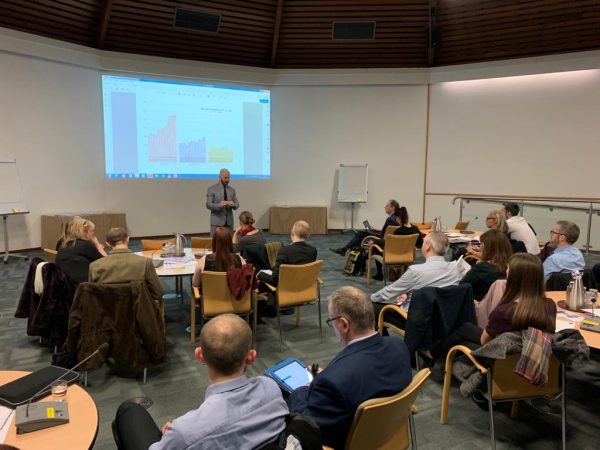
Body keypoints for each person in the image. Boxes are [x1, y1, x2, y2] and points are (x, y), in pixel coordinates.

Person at [113, 314, 289, 450]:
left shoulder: (185, 431)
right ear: (251, 357)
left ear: (199, 355)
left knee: (129, 410)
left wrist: (171, 438)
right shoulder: (272, 388)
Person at [287, 287, 412, 450]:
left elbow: (307, 427)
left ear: (344, 324)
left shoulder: (332, 382)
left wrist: (301, 389)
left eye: (332, 322)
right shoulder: (399, 346)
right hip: (390, 435)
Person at [433, 253, 557, 358]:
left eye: (508, 268)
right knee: (467, 328)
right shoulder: (550, 305)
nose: (506, 271)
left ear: (515, 277)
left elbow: (484, 341)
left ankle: (433, 355)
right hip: (529, 356)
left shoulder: (504, 312)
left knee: (464, 331)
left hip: (498, 357)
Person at [370, 231, 461, 317]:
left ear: (428, 246)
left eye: (424, 241)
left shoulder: (415, 271)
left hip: (415, 320)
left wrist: (371, 298)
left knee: (370, 308)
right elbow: (436, 290)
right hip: (444, 318)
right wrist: (408, 294)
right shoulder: (455, 269)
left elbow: (388, 293)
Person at [88, 227, 163, 301]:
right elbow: (158, 293)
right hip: (138, 311)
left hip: (108, 311)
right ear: (128, 239)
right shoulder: (145, 262)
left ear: (108, 244)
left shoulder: (94, 266)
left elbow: (92, 297)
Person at [330, 199, 401, 256]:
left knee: (361, 233)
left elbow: (386, 235)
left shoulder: (391, 219)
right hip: (385, 238)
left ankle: (346, 250)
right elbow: (389, 231)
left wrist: (379, 232)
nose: (384, 206)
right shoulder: (395, 217)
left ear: (393, 207)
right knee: (362, 235)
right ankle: (348, 251)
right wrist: (378, 230)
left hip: (382, 240)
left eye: (387, 205)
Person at [257, 220, 317, 287]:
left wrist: (259, 274)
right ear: (308, 235)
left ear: (292, 232)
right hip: (305, 288)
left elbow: (274, 281)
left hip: (287, 290)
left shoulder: (284, 251)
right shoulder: (313, 250)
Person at [371, 206, 423, 281]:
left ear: (398, 218)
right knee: (378, 243)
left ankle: (379, 274)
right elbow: (420, 244)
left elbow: (390, 247)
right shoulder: (415, 229)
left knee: (376, 246)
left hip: (393, 257)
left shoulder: (398, 231)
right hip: (408, 257)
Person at [460, 229, 512, 300]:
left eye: (480, 244)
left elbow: (461, 287)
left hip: (476, 305)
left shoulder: (482, 269)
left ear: (484, 246)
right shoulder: (511, 266)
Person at [55, 216, 107, 284]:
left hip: (63, 283)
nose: (93, 234)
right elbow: (106, 263)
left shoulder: (62, 243)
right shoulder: (85, 245)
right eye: (91, 231)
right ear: (84, 232)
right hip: (81, 287)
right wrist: (98, 245)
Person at [206, 168, 239, 235]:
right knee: (215, 244)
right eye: (225, 178)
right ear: (220, 177)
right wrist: (219, 205)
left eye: (228, 177)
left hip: (229, 224)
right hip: (216, 223)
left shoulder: (232, 190)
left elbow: (237, 204)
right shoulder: (211, 189)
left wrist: (233, 204)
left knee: (229, 243)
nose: (227, 179)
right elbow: (208, 204)